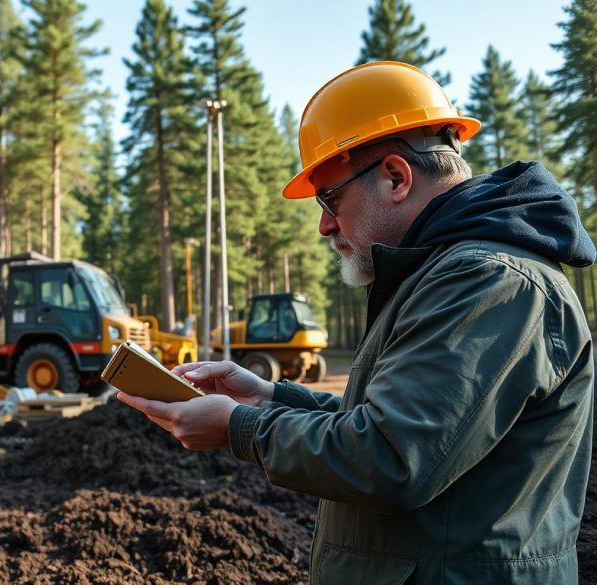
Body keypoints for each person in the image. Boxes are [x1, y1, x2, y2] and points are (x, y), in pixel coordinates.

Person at [117, 61, 596, 584]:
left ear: (395, 176)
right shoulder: (444, 275)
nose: (325, 225)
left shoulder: (487, 283)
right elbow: (399, 423)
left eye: (331, 199)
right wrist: (271, 399)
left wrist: (239, 428)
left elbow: (392, 458)